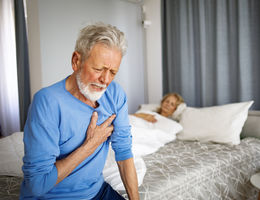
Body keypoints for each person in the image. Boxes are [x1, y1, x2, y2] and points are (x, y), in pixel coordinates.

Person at [20, 23, 139, 200]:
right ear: (76, 61)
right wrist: (89, 146)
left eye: (113, 72)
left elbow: (124, 152)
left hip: (97, 191)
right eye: (98, 69)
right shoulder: (47, 102)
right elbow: (38, 185)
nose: (105, 80)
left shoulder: (115, 94)